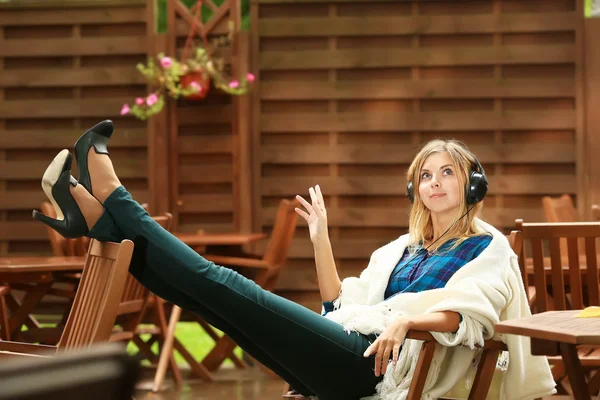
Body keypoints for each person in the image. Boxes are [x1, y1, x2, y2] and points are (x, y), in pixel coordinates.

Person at [33, 121, 555, 400]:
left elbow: (473, 314)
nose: (435, 183)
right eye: (426, 175)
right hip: (353, 348)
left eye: (447, 173)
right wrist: (320, 237)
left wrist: (408, 321)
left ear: (472, 185)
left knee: (224, 283)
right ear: (414, 188)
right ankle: (102, 221)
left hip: (377, 371)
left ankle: (113, 199)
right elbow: (338, 305)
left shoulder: (488, 246)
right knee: (210, 300)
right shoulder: (404, 248)